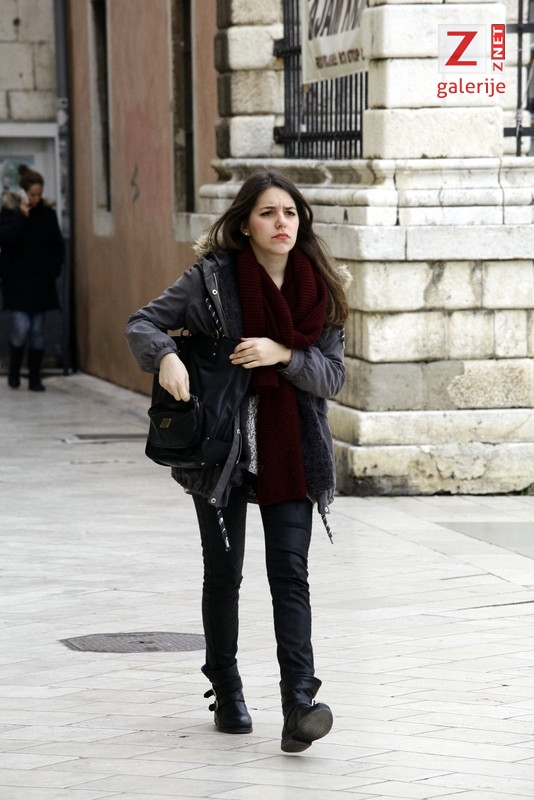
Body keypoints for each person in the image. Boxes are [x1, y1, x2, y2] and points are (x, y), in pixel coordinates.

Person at [124, 169, 349, 753]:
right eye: (268, 213)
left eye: (290, 213)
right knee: (225, 573)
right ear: (245, 224)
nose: (281, 223)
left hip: (292, 449)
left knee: (290, 574)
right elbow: (143, 322)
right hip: (221, 451)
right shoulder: (212, 282)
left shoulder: (320, 290)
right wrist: (166, 357)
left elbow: (332, 376)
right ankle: (226, 688)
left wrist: (283, 354)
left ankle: (299, 703)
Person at [0, 164, 64, 391]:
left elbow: (57, 246)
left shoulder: (47, 215)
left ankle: (35, 378)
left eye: (39, 194)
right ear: (24, 192)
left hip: (41, 284)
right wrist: (22, 217)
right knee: (21, 328)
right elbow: (6, 239)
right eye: (33, 194)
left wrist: (52, 270)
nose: (36, 198)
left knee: (37, 331)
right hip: (17, 283)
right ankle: (14, 370)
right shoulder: (10, 212)